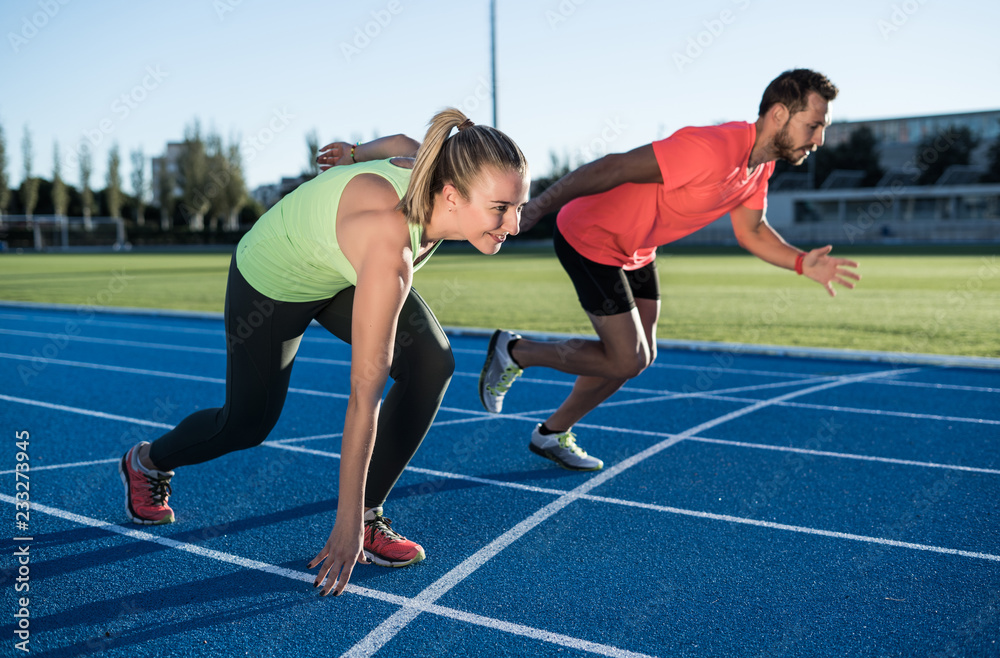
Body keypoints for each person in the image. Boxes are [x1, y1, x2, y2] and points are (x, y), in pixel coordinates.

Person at [119, 109, 530, 597]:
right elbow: (364, 392)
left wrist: (354, 153)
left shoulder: (437, 163)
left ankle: (372, 514)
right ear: (451, 195)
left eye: (519, 206)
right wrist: (343, 523)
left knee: (431, 362)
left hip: (335, 270)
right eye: (501, 208)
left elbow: (400, 140)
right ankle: (147, 461)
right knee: (246, 424)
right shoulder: (388, 243)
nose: (515, 224)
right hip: (272, 278)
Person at [478, 68, 861, 472]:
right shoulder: (712, 148)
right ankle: (517, 351)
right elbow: (613, 167)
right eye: (814, 125)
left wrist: (802, 262)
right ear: (780, 115)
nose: (819, 140)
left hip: (637, 249)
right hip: (591, 236)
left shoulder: (760, 167)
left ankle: (552, 433)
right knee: (626, 358)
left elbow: (752, 232)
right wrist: (539, 205)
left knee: (641, 357)